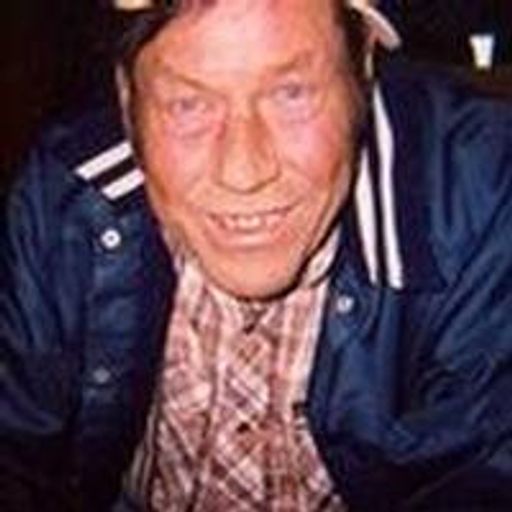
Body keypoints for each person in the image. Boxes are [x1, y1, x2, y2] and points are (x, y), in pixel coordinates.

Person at [1, 0, 512, 510]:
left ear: (362, 70)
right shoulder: (68, 194)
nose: (243, 173)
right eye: (188, 105)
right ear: (127, 98)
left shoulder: (481, 199)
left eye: (292, 94)